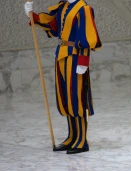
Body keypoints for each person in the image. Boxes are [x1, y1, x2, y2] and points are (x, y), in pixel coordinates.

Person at [24, 0, 102, 154]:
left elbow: (87, 35)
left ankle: (81, 140)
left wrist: (83, 60)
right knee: (66, 98)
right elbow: (53, 26)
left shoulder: (83, 9)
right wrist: (32, 15)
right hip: (61, 55)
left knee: (76, 98)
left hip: (75, 57)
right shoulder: (63, 7)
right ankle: (72, 137)